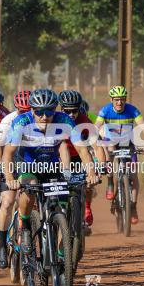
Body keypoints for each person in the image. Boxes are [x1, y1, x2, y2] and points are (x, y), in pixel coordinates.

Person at [3, 89, 98, 254]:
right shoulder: (21, 122)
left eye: (49, 111)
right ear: (32, 110)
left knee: (65, 198)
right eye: (39, 112)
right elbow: (8, 153)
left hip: (52, 165)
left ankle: (62, 235)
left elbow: (83, 151)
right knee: (30, 187)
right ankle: (25, 227)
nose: (44, 116)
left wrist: (91, 173)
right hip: (28, 164)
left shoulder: (65, 120)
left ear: (55, 109)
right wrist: (10, 178)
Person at [0, 89, 30, 268]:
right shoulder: (8, 120)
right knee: (8, 201)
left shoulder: (41, 119)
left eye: (29, 110)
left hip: (31, 164)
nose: (25, 114)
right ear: (16, 109)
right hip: (10, 163)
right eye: (21, 111)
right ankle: (2, 244)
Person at [94, 85, 144, 224]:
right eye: (116, 99)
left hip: (127, 143)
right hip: (110, 141)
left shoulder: (132, 110)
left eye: (122, 99)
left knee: (134, 176)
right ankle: (110, 183)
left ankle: (133, 207)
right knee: (109, 153)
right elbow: (95, 128)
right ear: (111, 99)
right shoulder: (105, 110)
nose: (119, 103)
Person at [58, 89, 96, 226]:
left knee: (85, 185)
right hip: (57, 158)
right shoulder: (54, 120)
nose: (71, 115)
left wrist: (95, 170)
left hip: (78, 156)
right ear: (60, 108)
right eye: (67, 111)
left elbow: (96, 146)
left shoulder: (84, 120)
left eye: (74, 111)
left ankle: (85, 207)